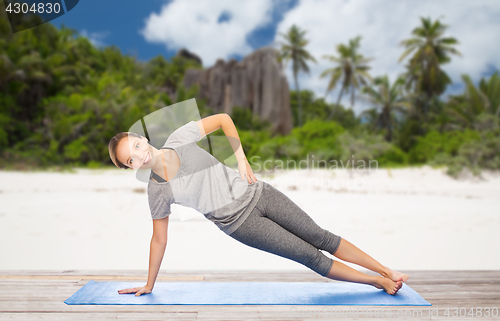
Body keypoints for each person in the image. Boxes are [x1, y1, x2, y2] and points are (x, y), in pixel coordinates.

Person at [108, 113, 408, 297]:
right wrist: (149, 284)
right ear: (130, 167)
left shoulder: (179, 139)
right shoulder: (157, 191)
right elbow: (159, 239)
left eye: (136, 146)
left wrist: (241, 158)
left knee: (321, 237)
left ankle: (387, 271)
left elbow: (223, 119)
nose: (139, 155)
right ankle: (376, 282)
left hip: (260, 192)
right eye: (130, 159)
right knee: (310, 257)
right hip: (242, 225)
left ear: (142, 137)